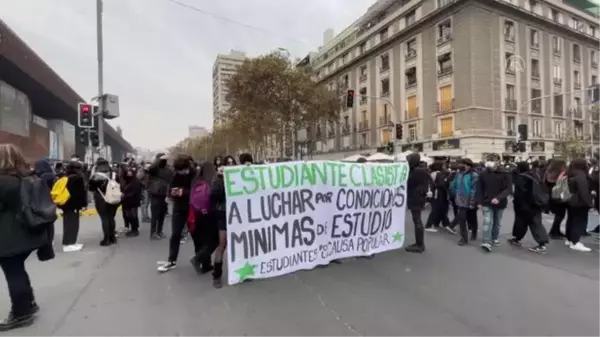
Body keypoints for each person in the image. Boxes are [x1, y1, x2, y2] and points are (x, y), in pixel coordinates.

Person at [0, 144, 48, 330]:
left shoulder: (3, 181)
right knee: (18, 269)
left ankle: (20, 314)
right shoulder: (27, 177)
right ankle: (29, 304)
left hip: (9, 235)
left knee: (13, 272)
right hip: (27, 233)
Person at [157, 155, 197, 272]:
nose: (182, 173)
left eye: (183, 170)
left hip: (192, 208)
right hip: (179, 207)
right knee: (175, 234)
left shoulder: (195, 174)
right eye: (179, 171)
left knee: (195, 234)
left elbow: (198, 191)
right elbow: (170, 187)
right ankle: (172, 260)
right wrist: (171, 193)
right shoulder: (176, 174)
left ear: (187, 166)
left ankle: (200, 258)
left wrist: (183, 192)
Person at [508, 162, 550, 253]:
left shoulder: (521, 178)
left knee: (528, 224)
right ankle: (517, 239)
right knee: (534, 223)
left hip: (526, 205)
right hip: (536, 204)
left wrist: (517, 204)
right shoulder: (535, 175)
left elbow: (520, 194)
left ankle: (541, 245)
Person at [476, 154, 512, 252]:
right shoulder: (482, 174)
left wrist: (499, 197)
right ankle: (486, 241)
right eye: (488, 160)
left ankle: (494, 238)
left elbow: (508, 189)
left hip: (500, 202)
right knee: (487, 221)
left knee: (497, 222)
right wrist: (479, 202)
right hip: (486, 202)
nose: (489, 162)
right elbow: (479, 189)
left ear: (498, 162)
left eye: (492, 160)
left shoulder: (505, 173)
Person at [405, 152, 432, 253]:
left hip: (416, 198)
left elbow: (408, 182)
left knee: (417, 221)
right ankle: (419, 243)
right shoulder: (422, 170)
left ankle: (420, 245)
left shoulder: (416, 172)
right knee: (417, 221)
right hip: (418, 197)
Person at [89, 157, 119, 246]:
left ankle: (107, 239)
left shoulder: (96, 176)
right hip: (113, 198)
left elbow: (91, 188)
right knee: (111, 217)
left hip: (101, 199)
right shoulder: (113, 174)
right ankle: (113, 237)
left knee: (104, 218)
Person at [565, 158, 593, 252]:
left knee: (571, 220)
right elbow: (583, 190)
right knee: (579, 221)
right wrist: (589, 203)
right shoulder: (581, 174)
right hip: (579, 201)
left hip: (570, 199)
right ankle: (575, 242)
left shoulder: (570, 172)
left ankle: (569, 239)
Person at [58, 161, 87, 252]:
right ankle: (69, 243)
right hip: (73, 204)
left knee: (68, 224)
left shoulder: (65, 177)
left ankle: (70, 242)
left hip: (66, 204)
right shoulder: (77, 178)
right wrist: (83, 204)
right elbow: (80, 193)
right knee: (73, 224)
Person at [450, 158, 479, 246]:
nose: (463, 166)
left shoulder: (474, 175)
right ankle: (464, 238)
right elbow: (454, 185)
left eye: (465, 165)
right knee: (462, 219)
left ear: (469, 166)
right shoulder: (458, 174)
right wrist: (455, 194)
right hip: (461, 200)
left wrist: (472, 202)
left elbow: (475, 189)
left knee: (472, 218)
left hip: (470, 200)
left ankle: (474, 233)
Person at [147, 154, 173, 240]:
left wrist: (169, 195)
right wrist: (158, 159)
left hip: (164, 194)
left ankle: (159, 231)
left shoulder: (169, 170)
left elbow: (171, 181)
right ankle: (153, 232)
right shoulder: (154, 169)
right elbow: (150, 168)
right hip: (155, 194)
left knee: (162, 214)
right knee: (155, 215)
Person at [424, 161, 451, 232]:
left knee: (437, 209)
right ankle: (428, 225)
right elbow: (441, 185)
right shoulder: (439, 174)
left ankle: (437, 223)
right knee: (436, 210)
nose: (444, 167)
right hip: (438, 194)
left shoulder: (432, 173)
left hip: (433, 193)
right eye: (443, 165)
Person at [120, 165, 142, 237]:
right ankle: (132, 229)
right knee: (128, 215)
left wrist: (125, 195)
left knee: (133, 215)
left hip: (133, 201)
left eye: (130, 173)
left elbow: (136, 191)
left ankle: (134, 230)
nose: (129, 174)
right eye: (128, 173)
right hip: (126, 201)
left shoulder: (135, 181)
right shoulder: (124, 181)